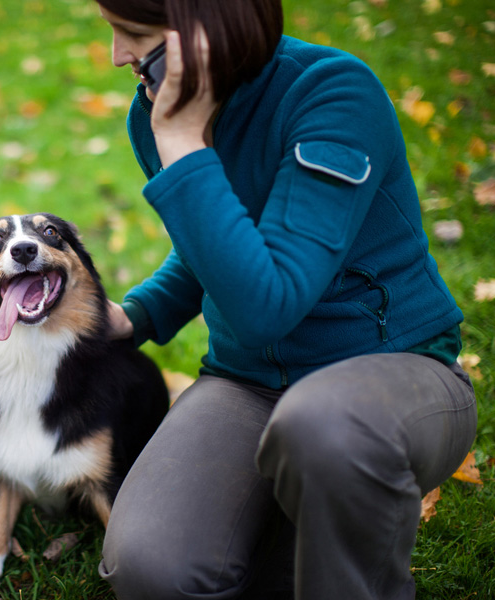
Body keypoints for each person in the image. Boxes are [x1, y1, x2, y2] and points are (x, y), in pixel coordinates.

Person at [93, 1, 478, 599]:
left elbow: (264, 307)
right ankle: (292, 526)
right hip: (247, 384)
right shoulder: (155, 115)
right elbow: (217, 248)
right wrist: (132, 316)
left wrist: (181, 140)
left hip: (390, 374)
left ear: (203, 32)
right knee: (151, 567)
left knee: (320, 429)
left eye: (135, 35)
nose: (118, 55)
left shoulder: (331, 93)